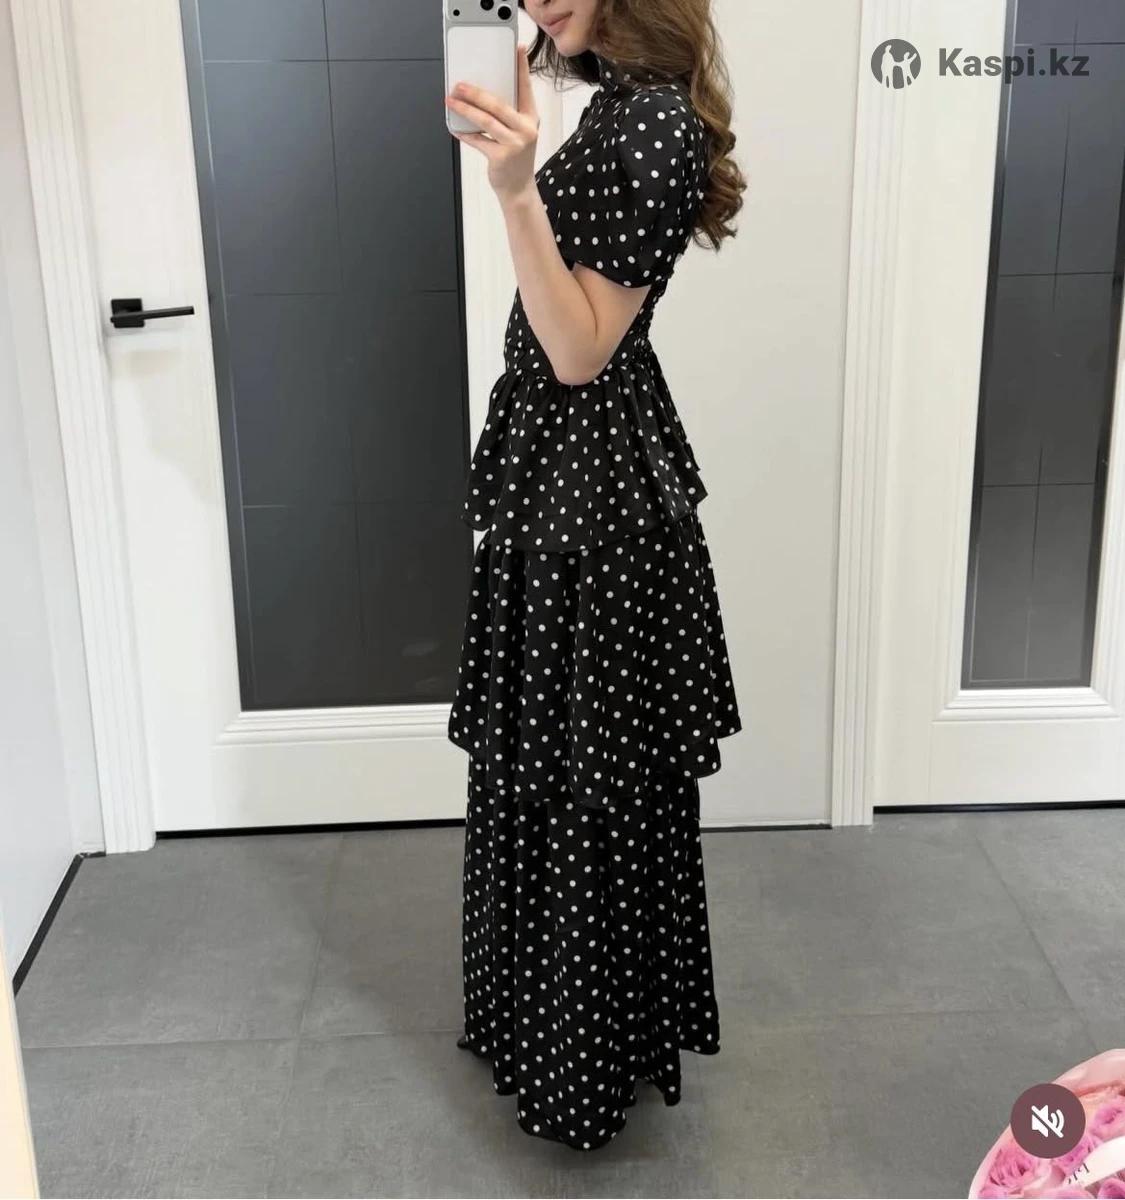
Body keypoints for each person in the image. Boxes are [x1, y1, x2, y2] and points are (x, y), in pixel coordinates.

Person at [444, 0, 746, 1151]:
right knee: (546, 767)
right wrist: (522, 153)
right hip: (561, 480)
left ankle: (583, 1066)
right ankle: (544, 1033)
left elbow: (578, 351)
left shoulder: (655, 123)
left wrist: (516, 190)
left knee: (586, 781)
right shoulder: (603, 103)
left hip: (596, 498)